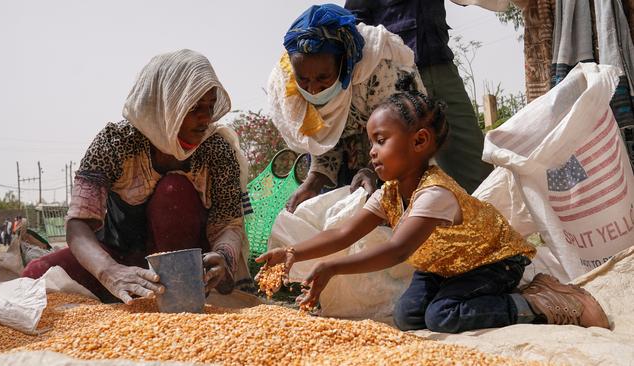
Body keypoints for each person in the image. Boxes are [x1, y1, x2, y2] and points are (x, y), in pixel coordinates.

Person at [257, 90, 609, 333]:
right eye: (371, 143)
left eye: (381, 140)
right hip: (442, 267)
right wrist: (291, 253)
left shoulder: (435, 192)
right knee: (408, 316)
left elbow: (398, 250)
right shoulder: (392, 192)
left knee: (442, 317)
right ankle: (506, 298)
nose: (372, 153)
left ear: (420, 141)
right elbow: (344, 233)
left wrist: (332, 266)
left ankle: (542, 302)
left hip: (489, 262)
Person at [22, 49, 251, 304]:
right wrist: (110, 271)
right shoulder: (115, 143)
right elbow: (78, 225)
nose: (206, 118)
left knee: (173, 190)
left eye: (209, 107)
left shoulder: (215, 151)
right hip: (119, 257)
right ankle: (129, 291)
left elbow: (228, 225)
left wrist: (223, 257)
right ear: (166, 104)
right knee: (35, 275)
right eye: (195, 107)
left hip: (185, 266)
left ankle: (175, 298)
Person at [267, 4, 427, 212]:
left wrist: (371, 172)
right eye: (304, 79)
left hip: (398, 160)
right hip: (349, 170)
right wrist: (313, 182)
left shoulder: (379, 70)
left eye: (323, 78)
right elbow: (324, 139)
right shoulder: (290, 88)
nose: (313, 89)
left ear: (344, 64)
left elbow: (402, 133)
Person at [344, 0, 494, 194]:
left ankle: (486, 216)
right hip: (395, 76)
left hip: (440, 65)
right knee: (402, 168)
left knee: (475, 164)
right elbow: (355, 25)